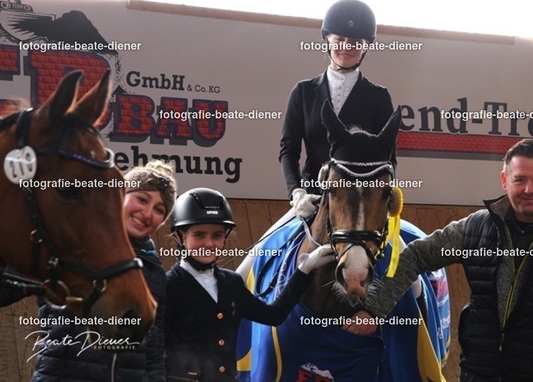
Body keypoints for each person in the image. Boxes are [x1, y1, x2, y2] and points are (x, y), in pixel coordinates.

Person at [345, 138, 533, 382]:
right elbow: (416, 255)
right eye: (520, 180)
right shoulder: (475, 229)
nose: (529, 189)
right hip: (477, 374)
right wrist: (374, 309)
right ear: (505, 180)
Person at [164, 187, 335, 382]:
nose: (210, 244)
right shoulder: (167, 286)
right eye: (199, 235)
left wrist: (304, 270)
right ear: (180, 237)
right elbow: (152, 352)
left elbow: (274, 315)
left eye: (217, 235)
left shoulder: (231, 282)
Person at [31, 160, 177, 382]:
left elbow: (153, 354)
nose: (147, 213)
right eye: (142, 199)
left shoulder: (153, 271)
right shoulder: (71, 242)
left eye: (159, 209)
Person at [279, 0, 395, 216]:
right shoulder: (303, 92)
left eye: (355, 42)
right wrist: (296, 192)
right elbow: (289, 150)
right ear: (327, 40)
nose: (347, 47)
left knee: (408, 236)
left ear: (366, 46)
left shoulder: (379, 97)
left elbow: (388, 156)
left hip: (361, 205)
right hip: (312, 200)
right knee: (270, 238)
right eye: (340, 39)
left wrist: (385, 193)